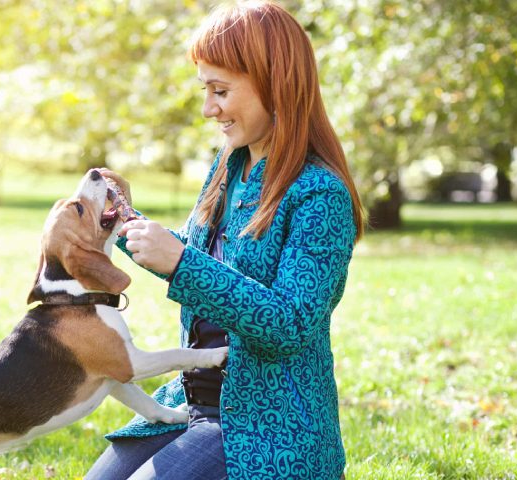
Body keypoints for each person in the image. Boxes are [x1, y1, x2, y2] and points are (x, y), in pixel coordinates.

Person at [85, 2, 365, 479]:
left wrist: (180, 265)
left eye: (220, 90)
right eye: (204, 89)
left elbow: (291, 324)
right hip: (191, 402)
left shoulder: (320, 194)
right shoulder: (230, 165)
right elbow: (197, 256)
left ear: (275, 84)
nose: (207, 107)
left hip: (266, 430)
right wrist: (125, 221)